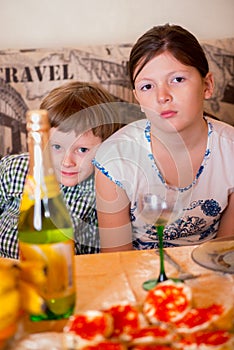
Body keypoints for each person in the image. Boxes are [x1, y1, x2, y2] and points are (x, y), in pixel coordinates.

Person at [93, 23, 234, 252]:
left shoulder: (230, 151)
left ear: (207, 85)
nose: (162, 96)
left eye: (177, 80)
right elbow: (115, 258)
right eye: (148, 86)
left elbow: (225, 253)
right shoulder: (115, 160)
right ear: (137, 98)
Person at [0, 81, 125, 258]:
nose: (67, 162)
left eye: (82, 150)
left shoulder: (107, 190)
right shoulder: (14, 170)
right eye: (57, 147)